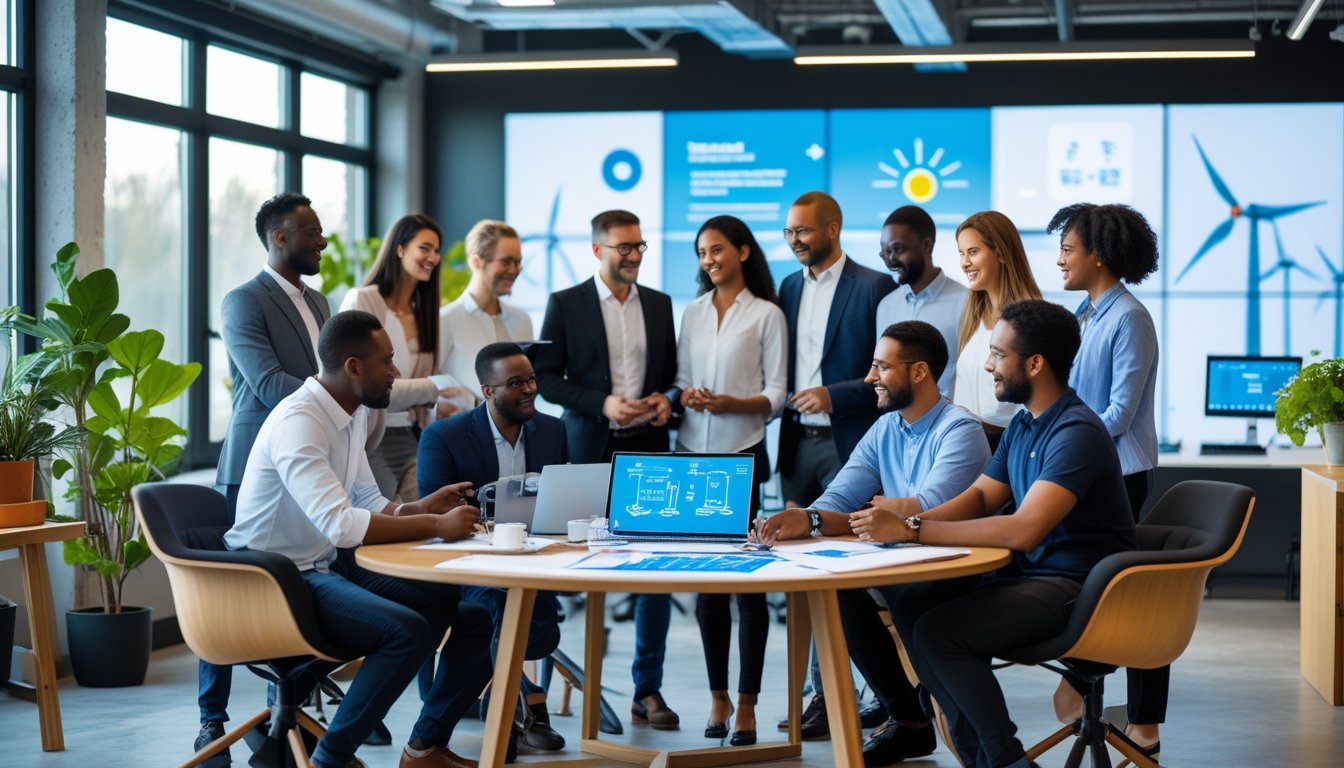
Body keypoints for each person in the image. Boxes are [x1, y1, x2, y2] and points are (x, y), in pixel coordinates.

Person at [849, 300, 1136, 768]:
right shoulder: (1024, 423)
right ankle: (978, 754)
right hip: (1031, 577)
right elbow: (982, 497)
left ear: (1035, 364)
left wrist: (913, 530)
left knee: (940, 633)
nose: (988, 365)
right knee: (912, 602)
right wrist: (908, 528)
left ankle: (1003, 759)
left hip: (1078, 589)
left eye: (999, 355)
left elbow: (1024, 530)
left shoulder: (1076, 431)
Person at [224, 309, 495, 768]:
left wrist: (423, 508)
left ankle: (424, 747)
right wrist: (436, 527)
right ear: (353, 367)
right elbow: (341, 525)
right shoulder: (300, 421)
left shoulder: (349, 414)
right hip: (276, 581)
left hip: (320, 566)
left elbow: (368, 501)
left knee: (467, 613)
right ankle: (331, 759)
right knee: (407, 632)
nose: (396, 372)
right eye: (386, 361)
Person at [752, 320, 990, 766]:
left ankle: (926, 715)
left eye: (881, 367)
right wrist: (806, 518)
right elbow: (840, 499)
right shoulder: (885, 429)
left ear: (919, 372)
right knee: (838, 590)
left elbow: (926, 510)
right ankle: (909, 720)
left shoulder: (960, 429)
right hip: (902, 567)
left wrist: (882, 513)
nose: (869, 377)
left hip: (953, 570)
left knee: (893, 597)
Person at [532, 209, 681, 730]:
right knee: (575, 570)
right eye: (624, 247)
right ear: (598, 250)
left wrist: (665, 400)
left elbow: (672, 377)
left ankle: (647, 689)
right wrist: (603, 404)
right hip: (589, 451)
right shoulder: (566, 303)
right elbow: (545, 378)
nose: (635, 255)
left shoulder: (660, 304)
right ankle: (551, 693)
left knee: (655, 574)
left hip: (649, 452)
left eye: (640, 245)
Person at [202, 192, 331, 758]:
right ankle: (212, 722)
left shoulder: (320, 302)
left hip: (309, 465)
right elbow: (269, 384)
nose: (322, 240)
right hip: (251, 467)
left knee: (309, 583)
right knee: (226, 594)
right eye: (312, 232)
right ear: (279, 238)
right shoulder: (243, 301)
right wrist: (341, 398)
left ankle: (283, 717)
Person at [1047, 202, 1164, 763]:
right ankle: (1090, 685)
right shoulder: (1085, 314)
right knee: (1096, 586)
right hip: (1087, 473)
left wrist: (1065, 439)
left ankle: (1142, 722)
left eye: (1067, 249)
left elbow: (1119, 413)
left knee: (1135, 599)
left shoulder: (1129, 318)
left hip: (1120, 476)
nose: (1060, 259)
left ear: (1098, 255)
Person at [777, 190, 894, 737]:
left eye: (803, 230)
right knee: (799, 575)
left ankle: (855, 695)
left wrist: (833, 395)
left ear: (832, 228)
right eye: (789, 232)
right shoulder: (787, 287)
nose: (795, 240)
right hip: (796, 445)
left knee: (844, 574)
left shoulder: (874, 286)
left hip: (850, 444)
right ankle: (817, 696)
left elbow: (885, 374)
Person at [417, 342, 567, 753]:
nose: (529, 389)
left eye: (531, 379)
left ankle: (513, 701)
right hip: (469, 564)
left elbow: (562, 500)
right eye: (516, 383)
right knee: (493, 609)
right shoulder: (444, 436)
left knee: (535, 624)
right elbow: (436, 514)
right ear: (487, 391)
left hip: (535, 563)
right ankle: (510, 719)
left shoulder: (552, 430)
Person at [674, 215, 787, 747]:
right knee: (708, 588)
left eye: (717, 249)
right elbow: (680, 380)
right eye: (702, 252)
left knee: (747, 587)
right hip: (692, 456)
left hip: (741, 457)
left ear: (742, 251)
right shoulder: (693, 311)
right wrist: (689, 396)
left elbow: (777, 394)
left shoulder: (767, 314)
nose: (708, 260)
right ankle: (718, 697)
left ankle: (747, 704)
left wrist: (731, 404)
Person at [340, 214, 464, 503]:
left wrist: (434, 396)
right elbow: (364, 388)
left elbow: (417, 394)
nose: (433, 257)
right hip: (369, 440)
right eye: (424, 248)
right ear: (399, 249)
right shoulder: (363, 300)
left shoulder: (426, 313)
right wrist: (436, 386)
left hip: (409, 436)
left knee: (424, 517)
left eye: (437, 251)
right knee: (385, 519)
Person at [951, 210, 1042, 451]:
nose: (964, 263)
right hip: (965, 444)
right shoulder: (973, 316)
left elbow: (1038, 403)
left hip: (1007, 447)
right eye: (961, 253)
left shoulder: (1031, 318)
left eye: (973, 252)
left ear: (1001, 252)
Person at [873, 205, 968, 397]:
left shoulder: (967, 303)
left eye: (897, 249)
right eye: (885, 251)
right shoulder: (886, 306)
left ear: (926, 246)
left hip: (951, 414)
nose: (890, 259)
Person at [438, 219, 533, 402]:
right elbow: (432, 384)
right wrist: (466, 402)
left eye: (518, 262)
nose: (514, 270)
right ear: (476, 262)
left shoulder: (522, 319)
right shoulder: (445, 320)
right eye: (506, 261)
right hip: (466, 419)